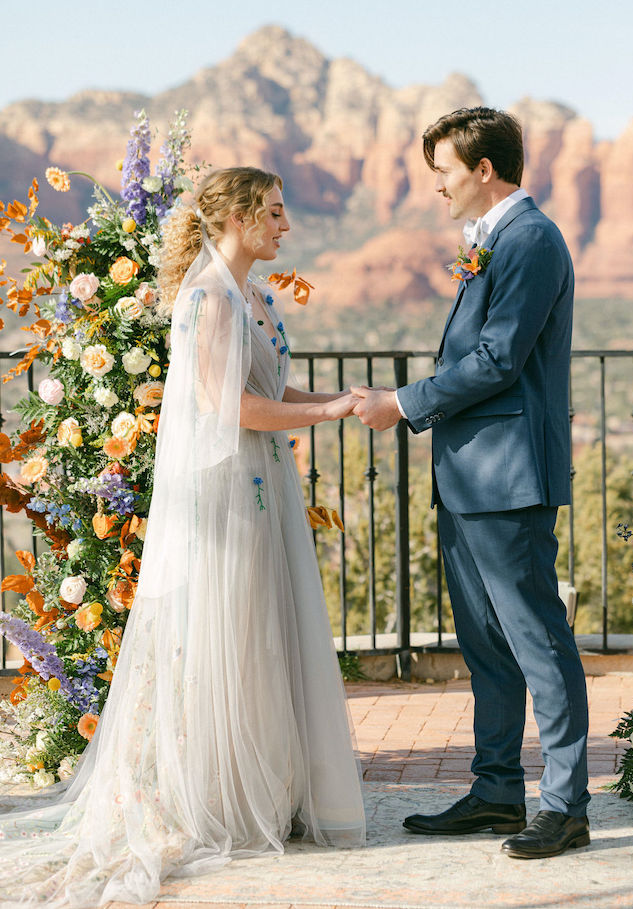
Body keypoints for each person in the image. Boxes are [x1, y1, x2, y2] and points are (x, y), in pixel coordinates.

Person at [0, 166, 365, 907]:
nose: (284, 226)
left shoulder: (253, 297)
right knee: (225, 633)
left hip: (263, 489)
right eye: (272, 212)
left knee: (261, 633)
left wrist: (339, 399)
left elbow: (270, 392)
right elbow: (226, 406)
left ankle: (260, 783)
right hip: (225, 497)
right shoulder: (207, 301)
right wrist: (327, 417)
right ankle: (217, 798)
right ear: (234, 217)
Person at [351, 107, 590, 859]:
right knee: (487, 646)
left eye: (444, 173)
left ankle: (566, 802)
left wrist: (402, 403)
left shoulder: (530, 239)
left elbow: (497, 359)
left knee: (537, 640)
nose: (438, 189)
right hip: (470, 478)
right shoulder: (496, 241)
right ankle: (495, 790)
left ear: (484, 170)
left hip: (509, 478)